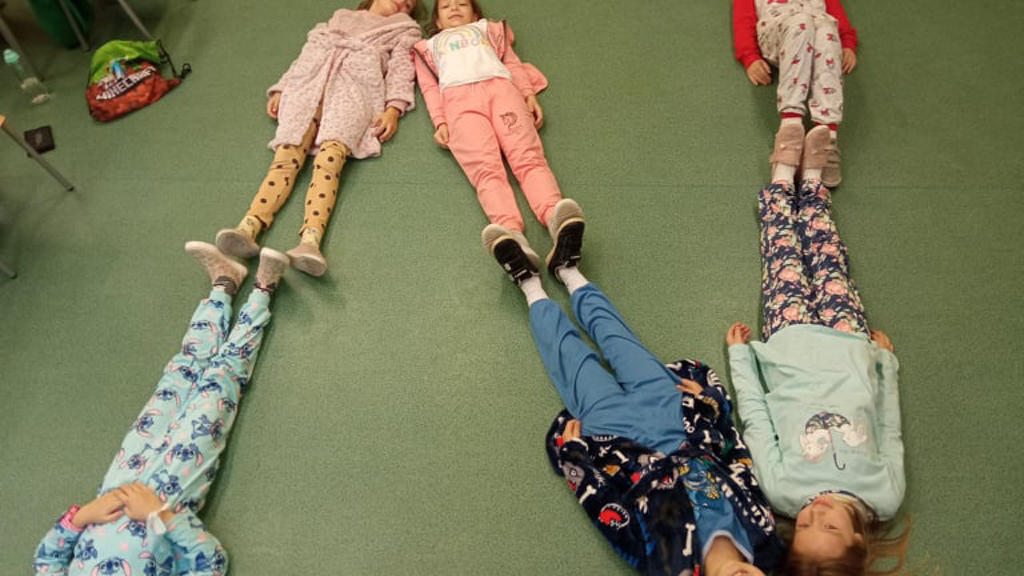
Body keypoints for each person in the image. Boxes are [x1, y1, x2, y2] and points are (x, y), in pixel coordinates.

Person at [487, 236, 784, 575]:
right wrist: (710, 404)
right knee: (621, 341)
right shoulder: (766, 541)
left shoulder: (666, 568)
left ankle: (529, 283)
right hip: (677, 419)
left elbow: (611, 517)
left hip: (620, 444)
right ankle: (568, 271)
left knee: (570, 360)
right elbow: (739, 461)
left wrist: (576, 461)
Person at [32, 242, 288, 575]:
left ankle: (224, 285)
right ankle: (263, 291)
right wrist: (160, 515)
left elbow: (46, 560)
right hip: (175, 485)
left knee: (180, 376)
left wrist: (81, 517)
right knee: (219, 383)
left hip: (124, 475)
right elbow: (211, 564)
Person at [725, 130, 908, 572]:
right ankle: (811, 182)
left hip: (789, 343)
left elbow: (756, 421)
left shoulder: (783, 491)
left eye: (805, 526)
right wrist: (884, 366)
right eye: (829, 527)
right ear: (858, 541)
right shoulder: (884, 497)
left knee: (783, 254)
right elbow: (889, 429)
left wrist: (740, 359)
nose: (816, 513)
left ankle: (782, 177)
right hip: (850, 345)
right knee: (829, 255)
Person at [215, 0, 421, 277]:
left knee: (329, 160)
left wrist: (394, 108)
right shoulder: (338, 18)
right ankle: (248, 226)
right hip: (309, 85)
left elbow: (402, 70)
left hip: (354, 91)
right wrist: (282, 88)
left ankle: (310, 241)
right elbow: (305, 56)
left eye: (409, 4)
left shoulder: (404, 30)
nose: (403, 2)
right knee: (286, 156)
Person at [413, 0, 585, 278]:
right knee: (486, 170)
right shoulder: (427, 48)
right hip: (459, 104)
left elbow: (512, 63)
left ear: (475, 14)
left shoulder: (488, 30)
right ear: (438, 22)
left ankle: (555, 216)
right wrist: (440, 121)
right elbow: (429, 88)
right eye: (446, 6)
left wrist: (528, 94)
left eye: (462, 3)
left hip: (502, 91)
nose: (454, 7)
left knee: (528, 158)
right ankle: (512, 235)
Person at [733, 0, 858, 186]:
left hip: (818, 30)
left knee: (827, 30)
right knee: (802, 22)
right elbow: (743, 20)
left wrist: (847, 43)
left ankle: (827, 139)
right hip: (780, 32)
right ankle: (790, 128)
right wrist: (749, 56)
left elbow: (836, 12)